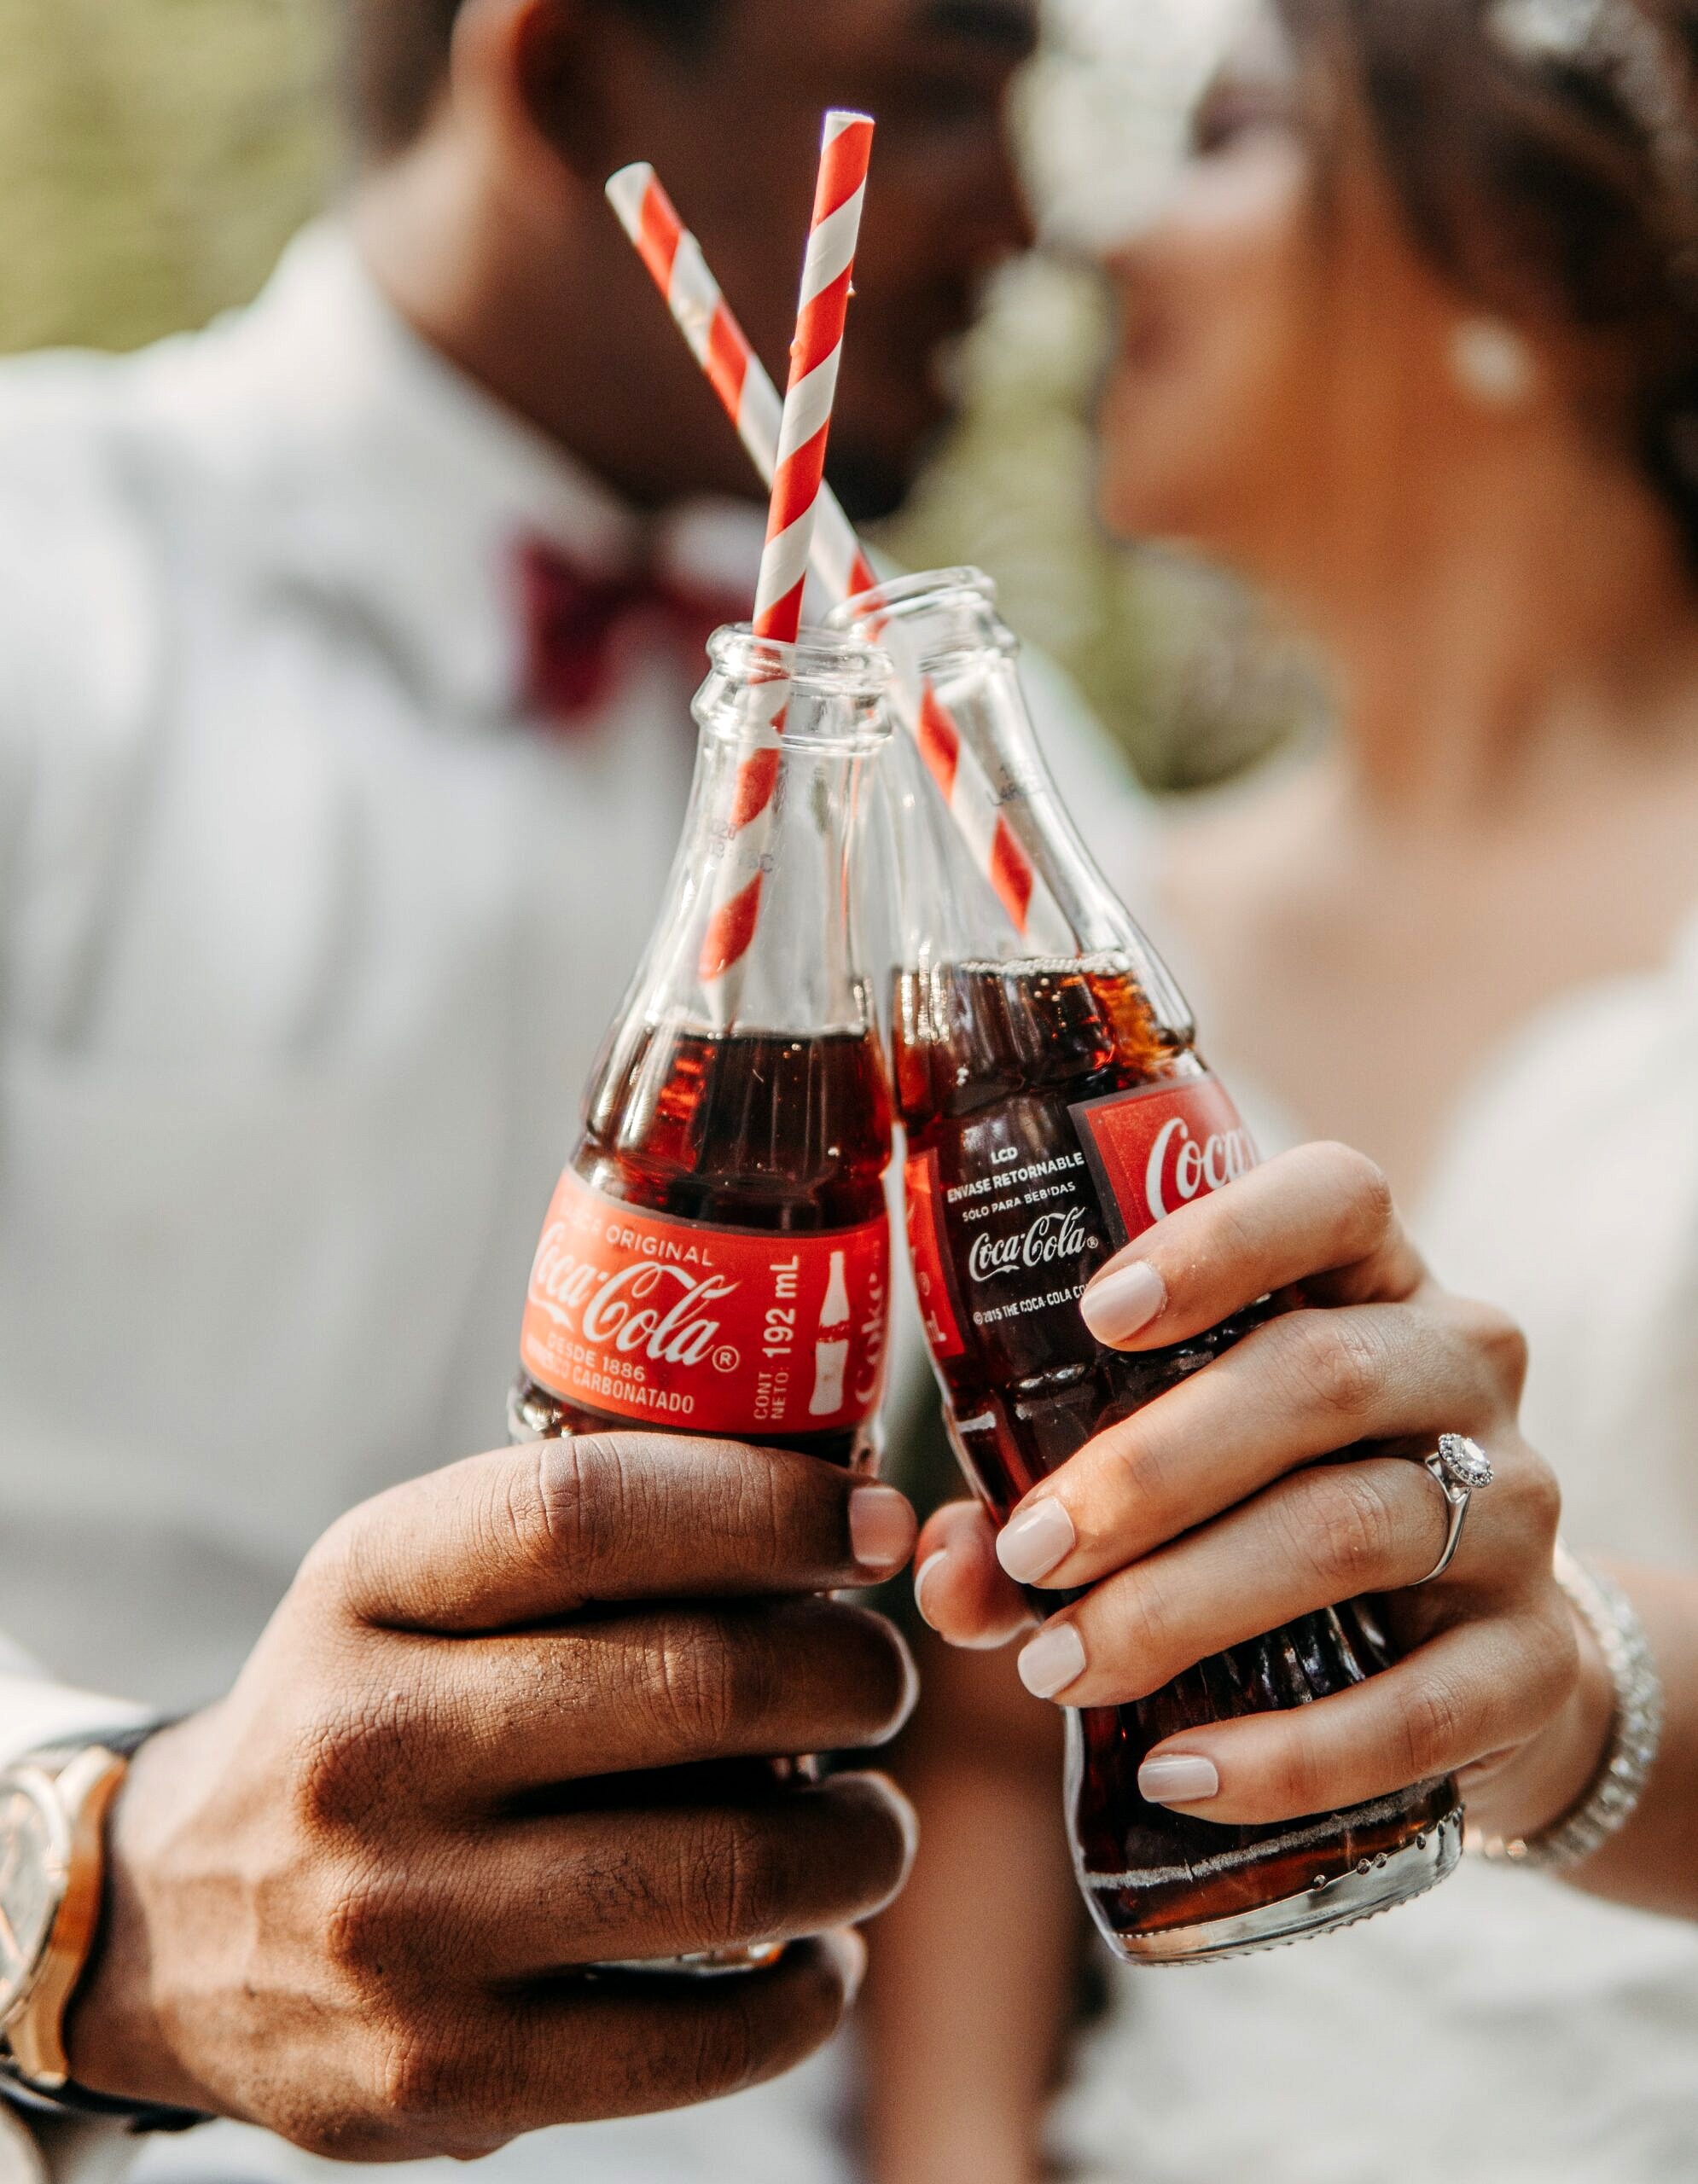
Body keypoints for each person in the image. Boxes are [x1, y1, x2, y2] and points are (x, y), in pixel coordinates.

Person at [0, 0, 1140, 2176]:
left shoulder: (990, 768)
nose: (1031, 206)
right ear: (575, 71)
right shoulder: (38, 590)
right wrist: (97, 1905)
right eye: (943, 89)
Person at [864, 3, 1698, 2179]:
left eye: (1229, 135)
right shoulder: (1094, 947)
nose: (1097, 235)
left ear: (1521, 276)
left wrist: (1570, 1693)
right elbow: (992, 1722)